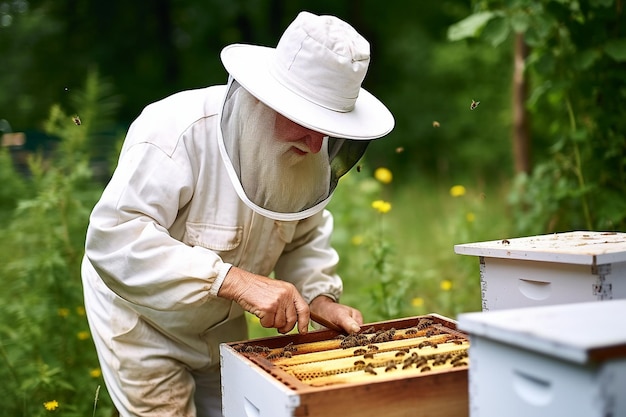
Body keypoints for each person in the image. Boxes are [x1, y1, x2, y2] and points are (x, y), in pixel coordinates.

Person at [81, 11, 394, 417]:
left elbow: (303, 237)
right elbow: (115, 238)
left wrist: (320, 297)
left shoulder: (309, 150)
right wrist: (233, 280)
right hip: (144, 323)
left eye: (328, 126)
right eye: (306, 119)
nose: (317, 144)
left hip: (222, 327)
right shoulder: (176, 131)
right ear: (267, 98)